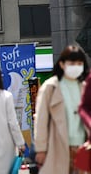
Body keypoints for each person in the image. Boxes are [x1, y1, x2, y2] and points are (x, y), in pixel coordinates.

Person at [34, 45, 89, 174]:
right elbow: (41, 120)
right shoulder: (50, 87)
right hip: (57, 146)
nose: (76, 66)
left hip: (83, 147)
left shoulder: (85, 87)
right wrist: (41, 148)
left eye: (79, 63)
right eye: (72, 63)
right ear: (62, 64)